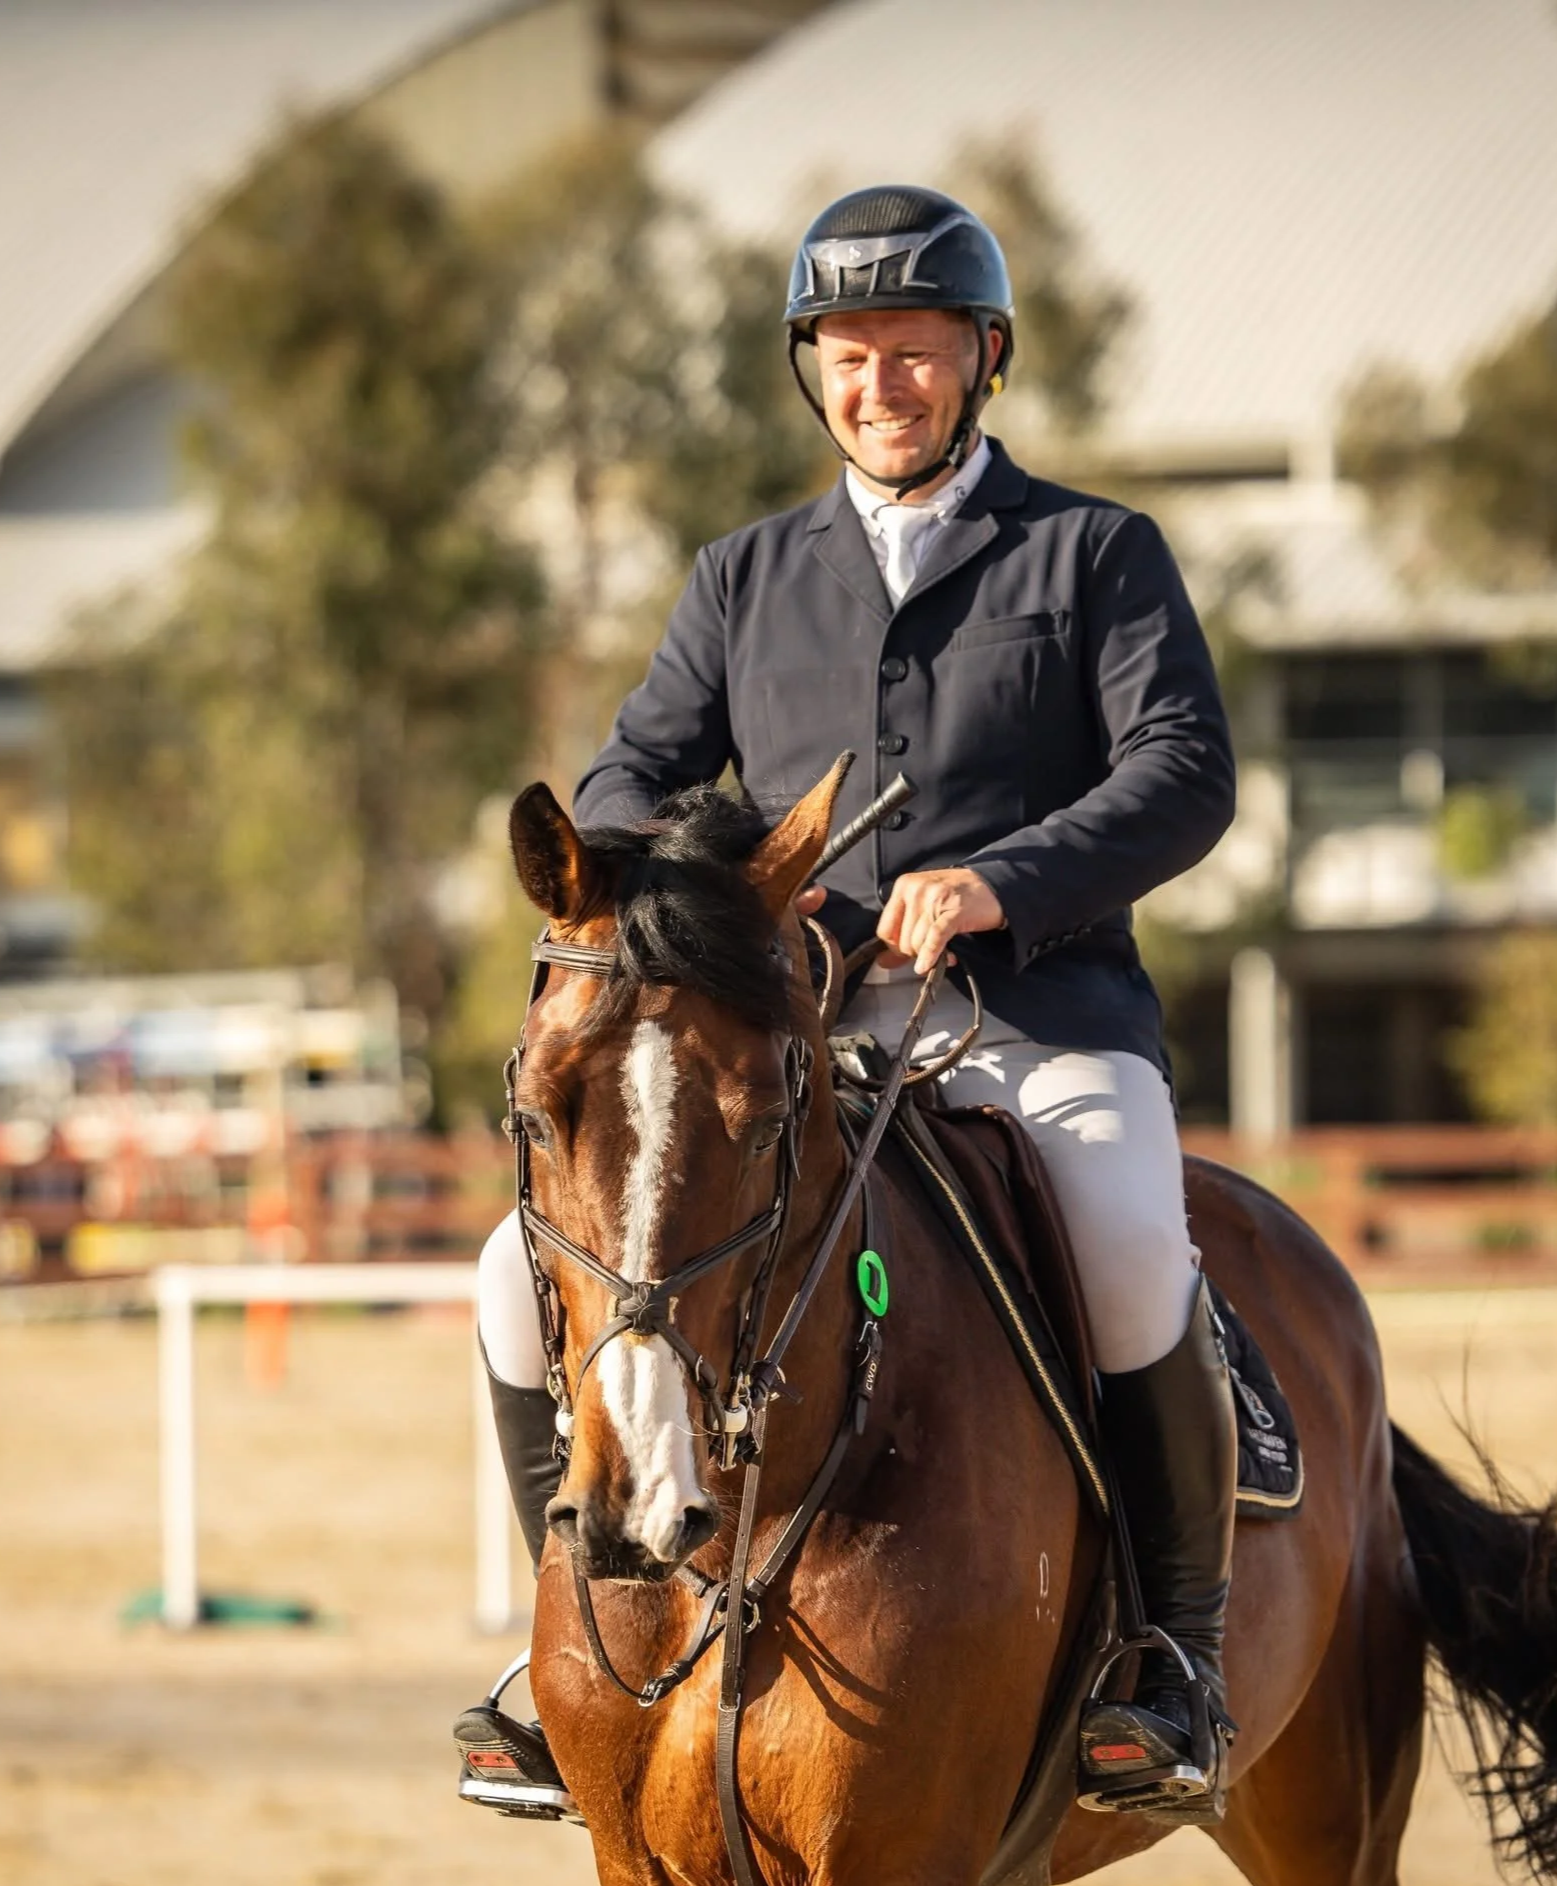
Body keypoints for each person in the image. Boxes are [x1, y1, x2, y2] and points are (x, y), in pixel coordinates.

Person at [455, 185, 1241, 1823]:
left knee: (1119, 1238)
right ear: (811, 372)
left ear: (983, 359)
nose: (880, 382)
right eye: (848, 352)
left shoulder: (1093, 552)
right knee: (505, 1282)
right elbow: (630, 776)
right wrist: (692, 886)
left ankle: (1171, 1648)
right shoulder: (743, 577)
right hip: (796, 1025)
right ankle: (571, 1640)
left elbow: (1182, 771)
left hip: (1038, 1019)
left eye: (915, 350)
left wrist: (996, 882)